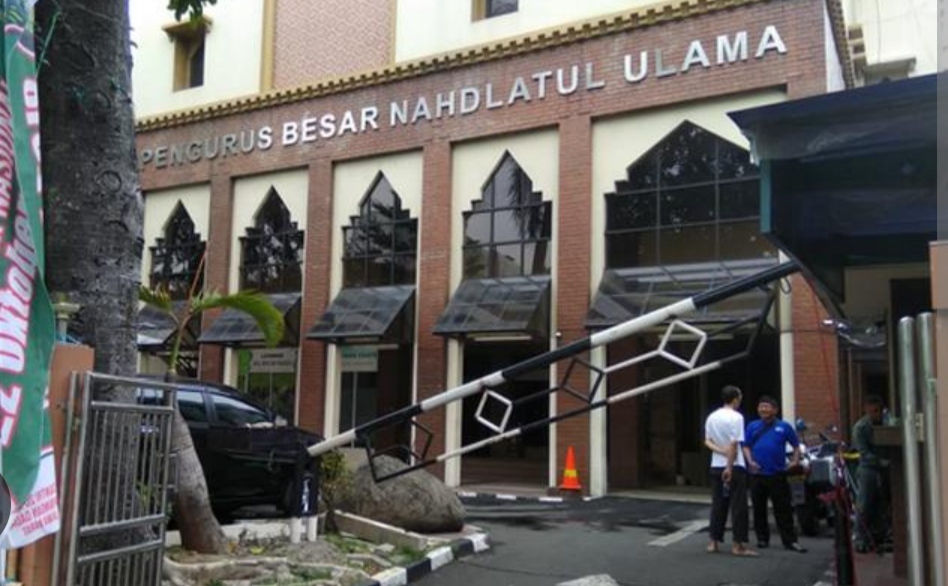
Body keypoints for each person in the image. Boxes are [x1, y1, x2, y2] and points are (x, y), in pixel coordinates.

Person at [742, 396, 807, 553]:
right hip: (757, 473)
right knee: (759, 508)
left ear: (775, 410)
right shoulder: (752, 426)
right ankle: (762, 539)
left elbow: (796, 446)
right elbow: (746, 446)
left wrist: (794, 461)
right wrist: (750, 461)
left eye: (767, 406)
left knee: (783, 509)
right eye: (761, 406)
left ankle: (790, 541)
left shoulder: (784, 427)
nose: (763, 409)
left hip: (777, 473)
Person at [704, 385, 757, 557]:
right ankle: (738, 545)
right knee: (738, 506)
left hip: (715, 465)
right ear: (735, 399)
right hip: (734, 466)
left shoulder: (712, 417)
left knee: (718, 504)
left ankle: (713, 541)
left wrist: (721, 451)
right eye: (739, 397)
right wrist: (729, 465)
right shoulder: (736, 417)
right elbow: (734, 444)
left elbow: (707, 441)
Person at [852, 394, 887, 552]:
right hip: (868, 468)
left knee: (880, 504)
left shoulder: (885, 423)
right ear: (866, 410)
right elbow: (864, 452)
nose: (876, 414)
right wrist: (882, 461)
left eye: (878, 411)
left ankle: (878, 535)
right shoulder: (861, 427)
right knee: (865, 504)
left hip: (882, 468)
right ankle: (860, 537)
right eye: (873, 411)